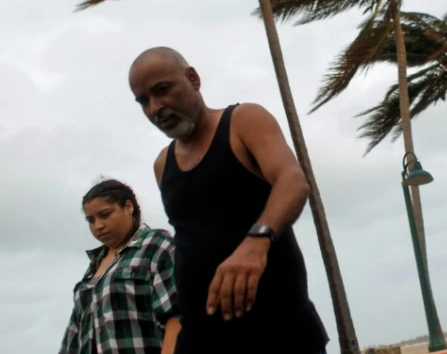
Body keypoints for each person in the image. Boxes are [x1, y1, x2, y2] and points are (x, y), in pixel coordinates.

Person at [128, 47, 329, 354]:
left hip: (279, 333)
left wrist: (256, 242)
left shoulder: (243, 122)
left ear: (193, 79)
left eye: (162, 90)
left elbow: (292, 181)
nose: (156, 107)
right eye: (144, 101)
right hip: (201, 339)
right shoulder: (162, 165)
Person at [60, 178, 181, 354]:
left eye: (104, 214)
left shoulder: (156, 246)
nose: (98, 226)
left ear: (128, 207)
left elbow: (178, 315)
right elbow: (73, 338)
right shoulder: (93, 268)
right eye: (90, 220)